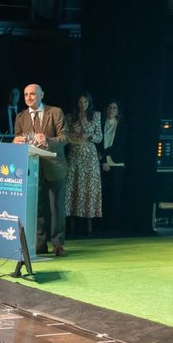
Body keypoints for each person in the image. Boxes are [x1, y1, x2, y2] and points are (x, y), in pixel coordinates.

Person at [12, 83, 69, 256]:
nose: (29, 97)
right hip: (32, 169)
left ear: (42, 95)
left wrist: (48, 140)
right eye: (26, 95)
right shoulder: (20, 116)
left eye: (32, 94)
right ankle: (40, 244)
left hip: (55, 167)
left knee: (56, 208)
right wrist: (15, 142)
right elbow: (17, 138)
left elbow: (65, 137)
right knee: (37, 208)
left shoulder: (55, 112)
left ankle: (58, 244)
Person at [63, 92, 104, 236]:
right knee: (73, 186)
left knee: (89, 187)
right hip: (74, 155)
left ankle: (89, 224)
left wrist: (90, 136)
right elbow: (65, 136)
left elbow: (99, 137)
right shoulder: (70, 116)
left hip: (89, 157)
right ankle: (71, 223)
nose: (83, 105)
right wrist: (75, 137)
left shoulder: (95, 116)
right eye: (80, 102)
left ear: (89, 103)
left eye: (85, 102)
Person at [98, 100, 126, 232]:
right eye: (109, 108)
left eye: (114, 108)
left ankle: (115, 226)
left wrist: (104, 154)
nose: (111, 110)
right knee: (104, 195)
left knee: (116, 195)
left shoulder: (121, 125)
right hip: (103, 163)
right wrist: (103, 160)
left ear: (118, 111)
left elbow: (120, 145)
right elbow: (98, 143)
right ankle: (104, 224)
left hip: (117, 163)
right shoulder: (101, 124)